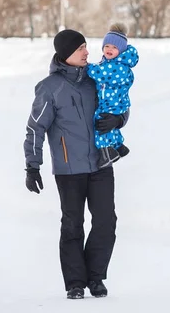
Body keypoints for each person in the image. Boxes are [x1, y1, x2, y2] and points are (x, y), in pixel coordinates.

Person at [23, 29, 129, 300]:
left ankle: (95, 278)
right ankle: (75, 283)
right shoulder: (50, 88)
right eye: (80, 48)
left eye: (85, 46)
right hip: (69, 169)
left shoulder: (96, 80)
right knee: (73, 225)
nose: (87, 52)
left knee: (106, 221)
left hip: (101, 164)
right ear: (66, 54)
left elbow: (120, 105)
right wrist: (32, 165)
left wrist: (118, 120)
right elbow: (35, 128)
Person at [87, 23, 139, 168]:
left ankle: (106, 153)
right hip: (116, 103)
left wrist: (85, 66)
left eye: (115, 47)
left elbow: (97, 72)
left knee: (101, 128)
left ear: (121, 50)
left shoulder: (116, 67)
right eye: (107, 46)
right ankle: (119, 146)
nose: (110, 49)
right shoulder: (113, 63)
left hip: (111, 104)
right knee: (111, 128)